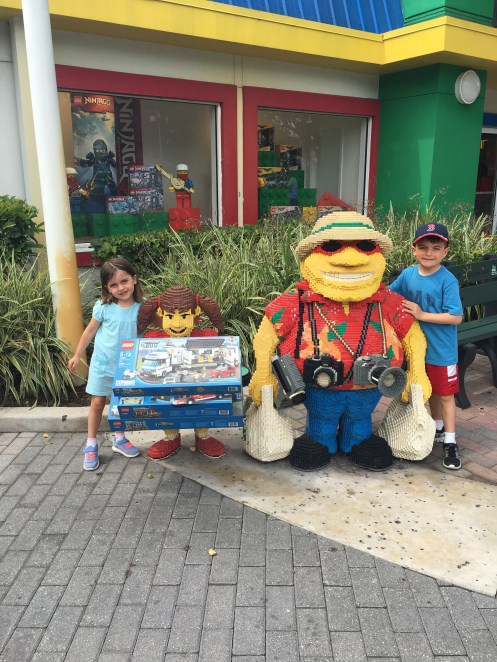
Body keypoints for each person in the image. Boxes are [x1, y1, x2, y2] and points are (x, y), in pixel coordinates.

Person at [249, 211, 431, 472]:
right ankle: (319, 441)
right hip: (317, 386)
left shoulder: (386, 300)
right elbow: (267, 336)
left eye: (365, 246)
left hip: (371, 386)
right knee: (321, 421)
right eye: (332, 246)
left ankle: (357, 441)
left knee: (360, 419)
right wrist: (263, 373)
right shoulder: (298, 300)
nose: (350, 259)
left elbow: (413, 335)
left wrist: (417, 372)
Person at [389, 222, 463, 470]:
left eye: (436, 247)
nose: (429, 253)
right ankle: (438, 428)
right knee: (429, 391)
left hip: (442, 351)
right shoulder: (408, 275)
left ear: (445, 251)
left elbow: (456, 317)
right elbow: (390, 295)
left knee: (446, 395)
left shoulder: (447, 281)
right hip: (418, 351)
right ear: (413, 249)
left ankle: (450, 442)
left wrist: (421, 315)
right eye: (423, 247)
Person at [68, 258, 144, 470]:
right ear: (107, 288)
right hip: (103, 365)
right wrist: (77, 355)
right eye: (114, 285)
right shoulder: (103, 307)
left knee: (119, 405)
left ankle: (119, 439)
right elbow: (89, 332)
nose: (121, 288)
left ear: (134, 279)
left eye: (124, 281)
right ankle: (91, 444)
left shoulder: (143, 308)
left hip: (128, 368)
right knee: (97, 403)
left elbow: (163, 324)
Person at [137, 285, 226, 460]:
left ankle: (202, 435)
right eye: (170, 316)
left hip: (198, 388)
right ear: (161, 314)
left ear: (195, 313)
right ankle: (171, 437)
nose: (177, 324)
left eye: (184, 316)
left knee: (203, 401)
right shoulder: (153, 340)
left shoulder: (206, 337)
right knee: (163, 403)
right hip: (166, 389)